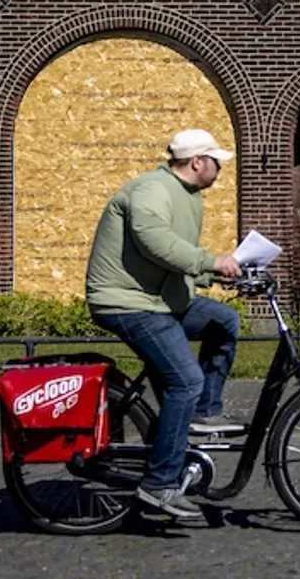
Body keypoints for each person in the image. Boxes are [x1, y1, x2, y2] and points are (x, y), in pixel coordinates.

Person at [86, 127, 246, 520]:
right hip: (129, 303)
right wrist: (211, 260)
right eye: (216, 162)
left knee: (224, 321)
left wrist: (217, 275)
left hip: (161, 300)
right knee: (185, 380)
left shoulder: (186, 195)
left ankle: (204, 413)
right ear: (196, 162)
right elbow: (153, 240)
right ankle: (158, 486)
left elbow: (174, 260)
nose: (220, 169)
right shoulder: (152, 190)